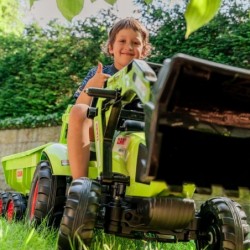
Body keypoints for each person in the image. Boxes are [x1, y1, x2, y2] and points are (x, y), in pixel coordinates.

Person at [67, 17, 152, 179]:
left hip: (137, 130)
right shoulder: (98, 74)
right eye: (122, 41)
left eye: (135, 43)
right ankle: (80, 185)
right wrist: (92, 86)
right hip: (101, 128)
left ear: (144, 50)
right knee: (79, 111)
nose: (129, 47)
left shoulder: (150, 77)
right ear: (111, 47)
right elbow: (78, 107)